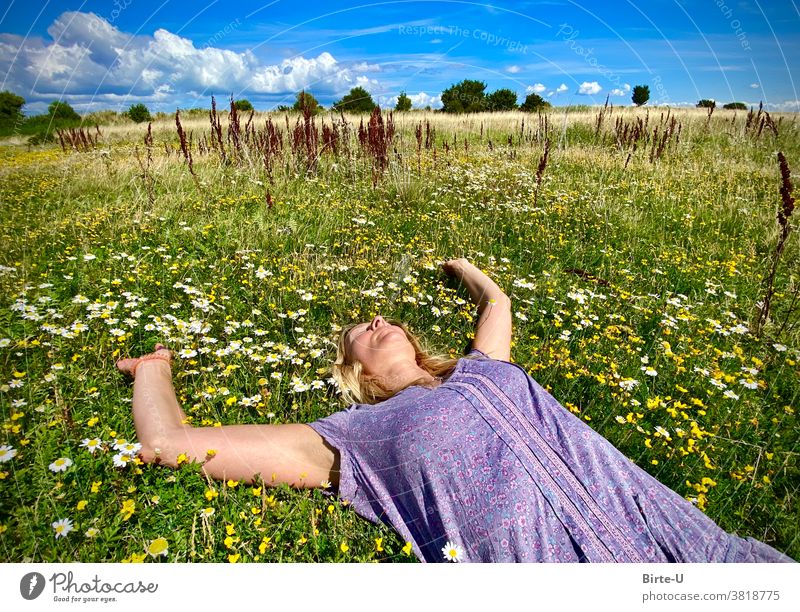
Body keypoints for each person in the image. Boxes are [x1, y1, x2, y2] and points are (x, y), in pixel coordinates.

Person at [116, 258, 794, 563]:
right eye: (360, 329)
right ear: (352, 372)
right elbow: (172, 443)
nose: (378, 319)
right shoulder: (355, 438)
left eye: (385, 317)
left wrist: (462, 267)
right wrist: (155, 367)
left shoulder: (483, 368)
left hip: (709, 557)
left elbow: (496, 306)